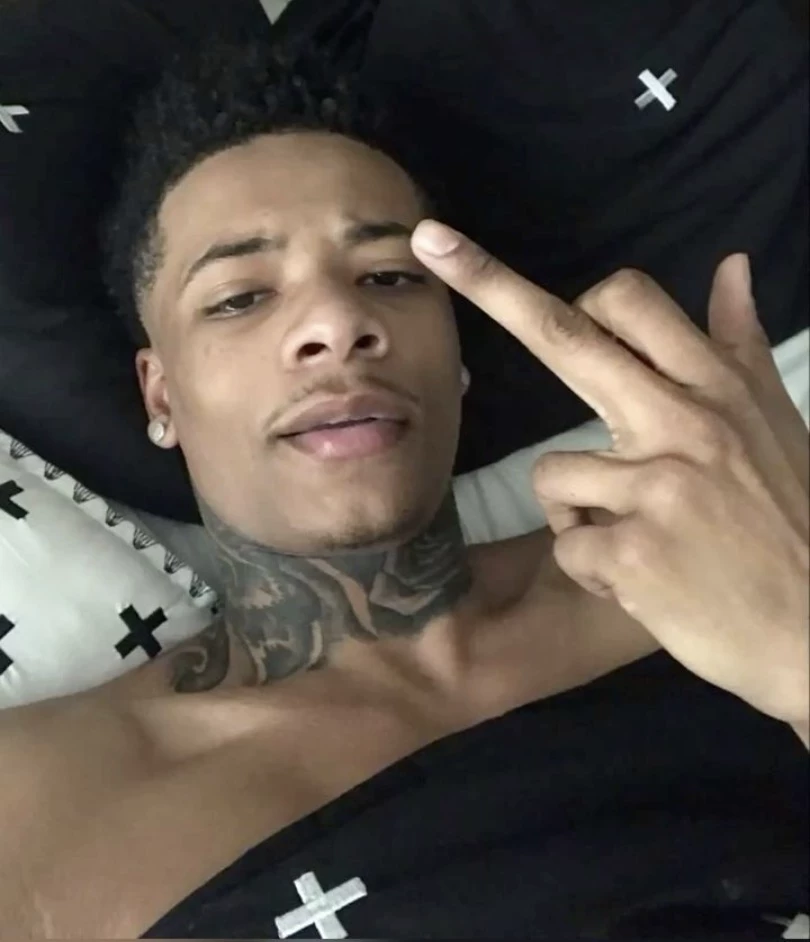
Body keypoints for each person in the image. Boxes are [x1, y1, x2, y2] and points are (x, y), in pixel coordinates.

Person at [0, 40, 806, 940]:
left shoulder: (733, 549)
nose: (337, 322)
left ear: (457, 358)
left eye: (388, 277)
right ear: (161, 396)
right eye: (239, 298)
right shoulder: (39, 805)